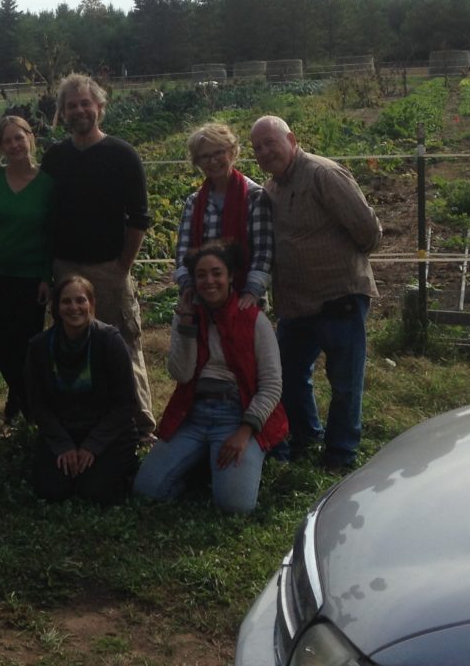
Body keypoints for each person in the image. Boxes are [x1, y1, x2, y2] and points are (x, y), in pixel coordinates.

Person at [250, 115, 381, 469]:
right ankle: (307, 434)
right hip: (296, 304)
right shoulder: (271, 189)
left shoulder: (324, 174)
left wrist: (341, 264)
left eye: (270, 142)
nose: (264, 151)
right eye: (257, 148)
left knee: (344, 381)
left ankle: (340, 454)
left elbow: (367, 230)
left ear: (291, 139)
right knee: (287, 375)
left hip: (338, 297)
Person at [41, 73, 155, 440]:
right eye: (71, 105)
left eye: (85, 103)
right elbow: (40, 206)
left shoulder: (122, 155)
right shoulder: (55, 158)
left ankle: (141, 425)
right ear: (62, 112)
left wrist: (123, 265)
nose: (79, 110)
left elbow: (139, 217)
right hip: (66, 267)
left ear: (100, 108)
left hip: (109, 268)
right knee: (71, 345)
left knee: (124, 343)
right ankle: (79, 419)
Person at [133, 242, 286, 513]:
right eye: (201, 275)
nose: (209, 281)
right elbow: (180, 373)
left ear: (229, 277)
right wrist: (187, 325)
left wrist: (244, 432)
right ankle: (204, 466)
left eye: (217, 273)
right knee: (146, 490)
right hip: (193, 413)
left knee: (235, 507)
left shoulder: (253, 319)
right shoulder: (186, 316)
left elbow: (272, 385)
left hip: (237, 415)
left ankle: (220, 465)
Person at [0, 115, 54, 423]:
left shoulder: (48, 183)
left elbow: (51, 235)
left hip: (29, 280)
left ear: (31, 138)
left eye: (20, 137)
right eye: (7, 140)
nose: (15, 144)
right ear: (0, 147)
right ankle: (24, 402)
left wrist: (46, 276)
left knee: (24, 348)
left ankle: (25, 408)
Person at [25, 276, 140, 504]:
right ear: (56, 307)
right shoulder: (39, 347)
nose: (74, 307)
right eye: (66, 302)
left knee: (96, 493)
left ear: (91, 304)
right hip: (64, 430)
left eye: (81, 300)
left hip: (108, 432)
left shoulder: (109, 341)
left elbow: (126, 403)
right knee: (51, 491)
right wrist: (63, 445)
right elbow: (37, 404)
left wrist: (92, 445)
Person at [174, 122, 273, 309]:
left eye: (219, 152)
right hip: (203, 297)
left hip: (246, 299)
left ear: (232, 152)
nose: (213, 161)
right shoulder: (194, 203)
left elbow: (263, 251)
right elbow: (183, 252)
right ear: (197, 162)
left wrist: (252, 290)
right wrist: (188, 284)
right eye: (204, 156)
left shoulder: (254, 196)